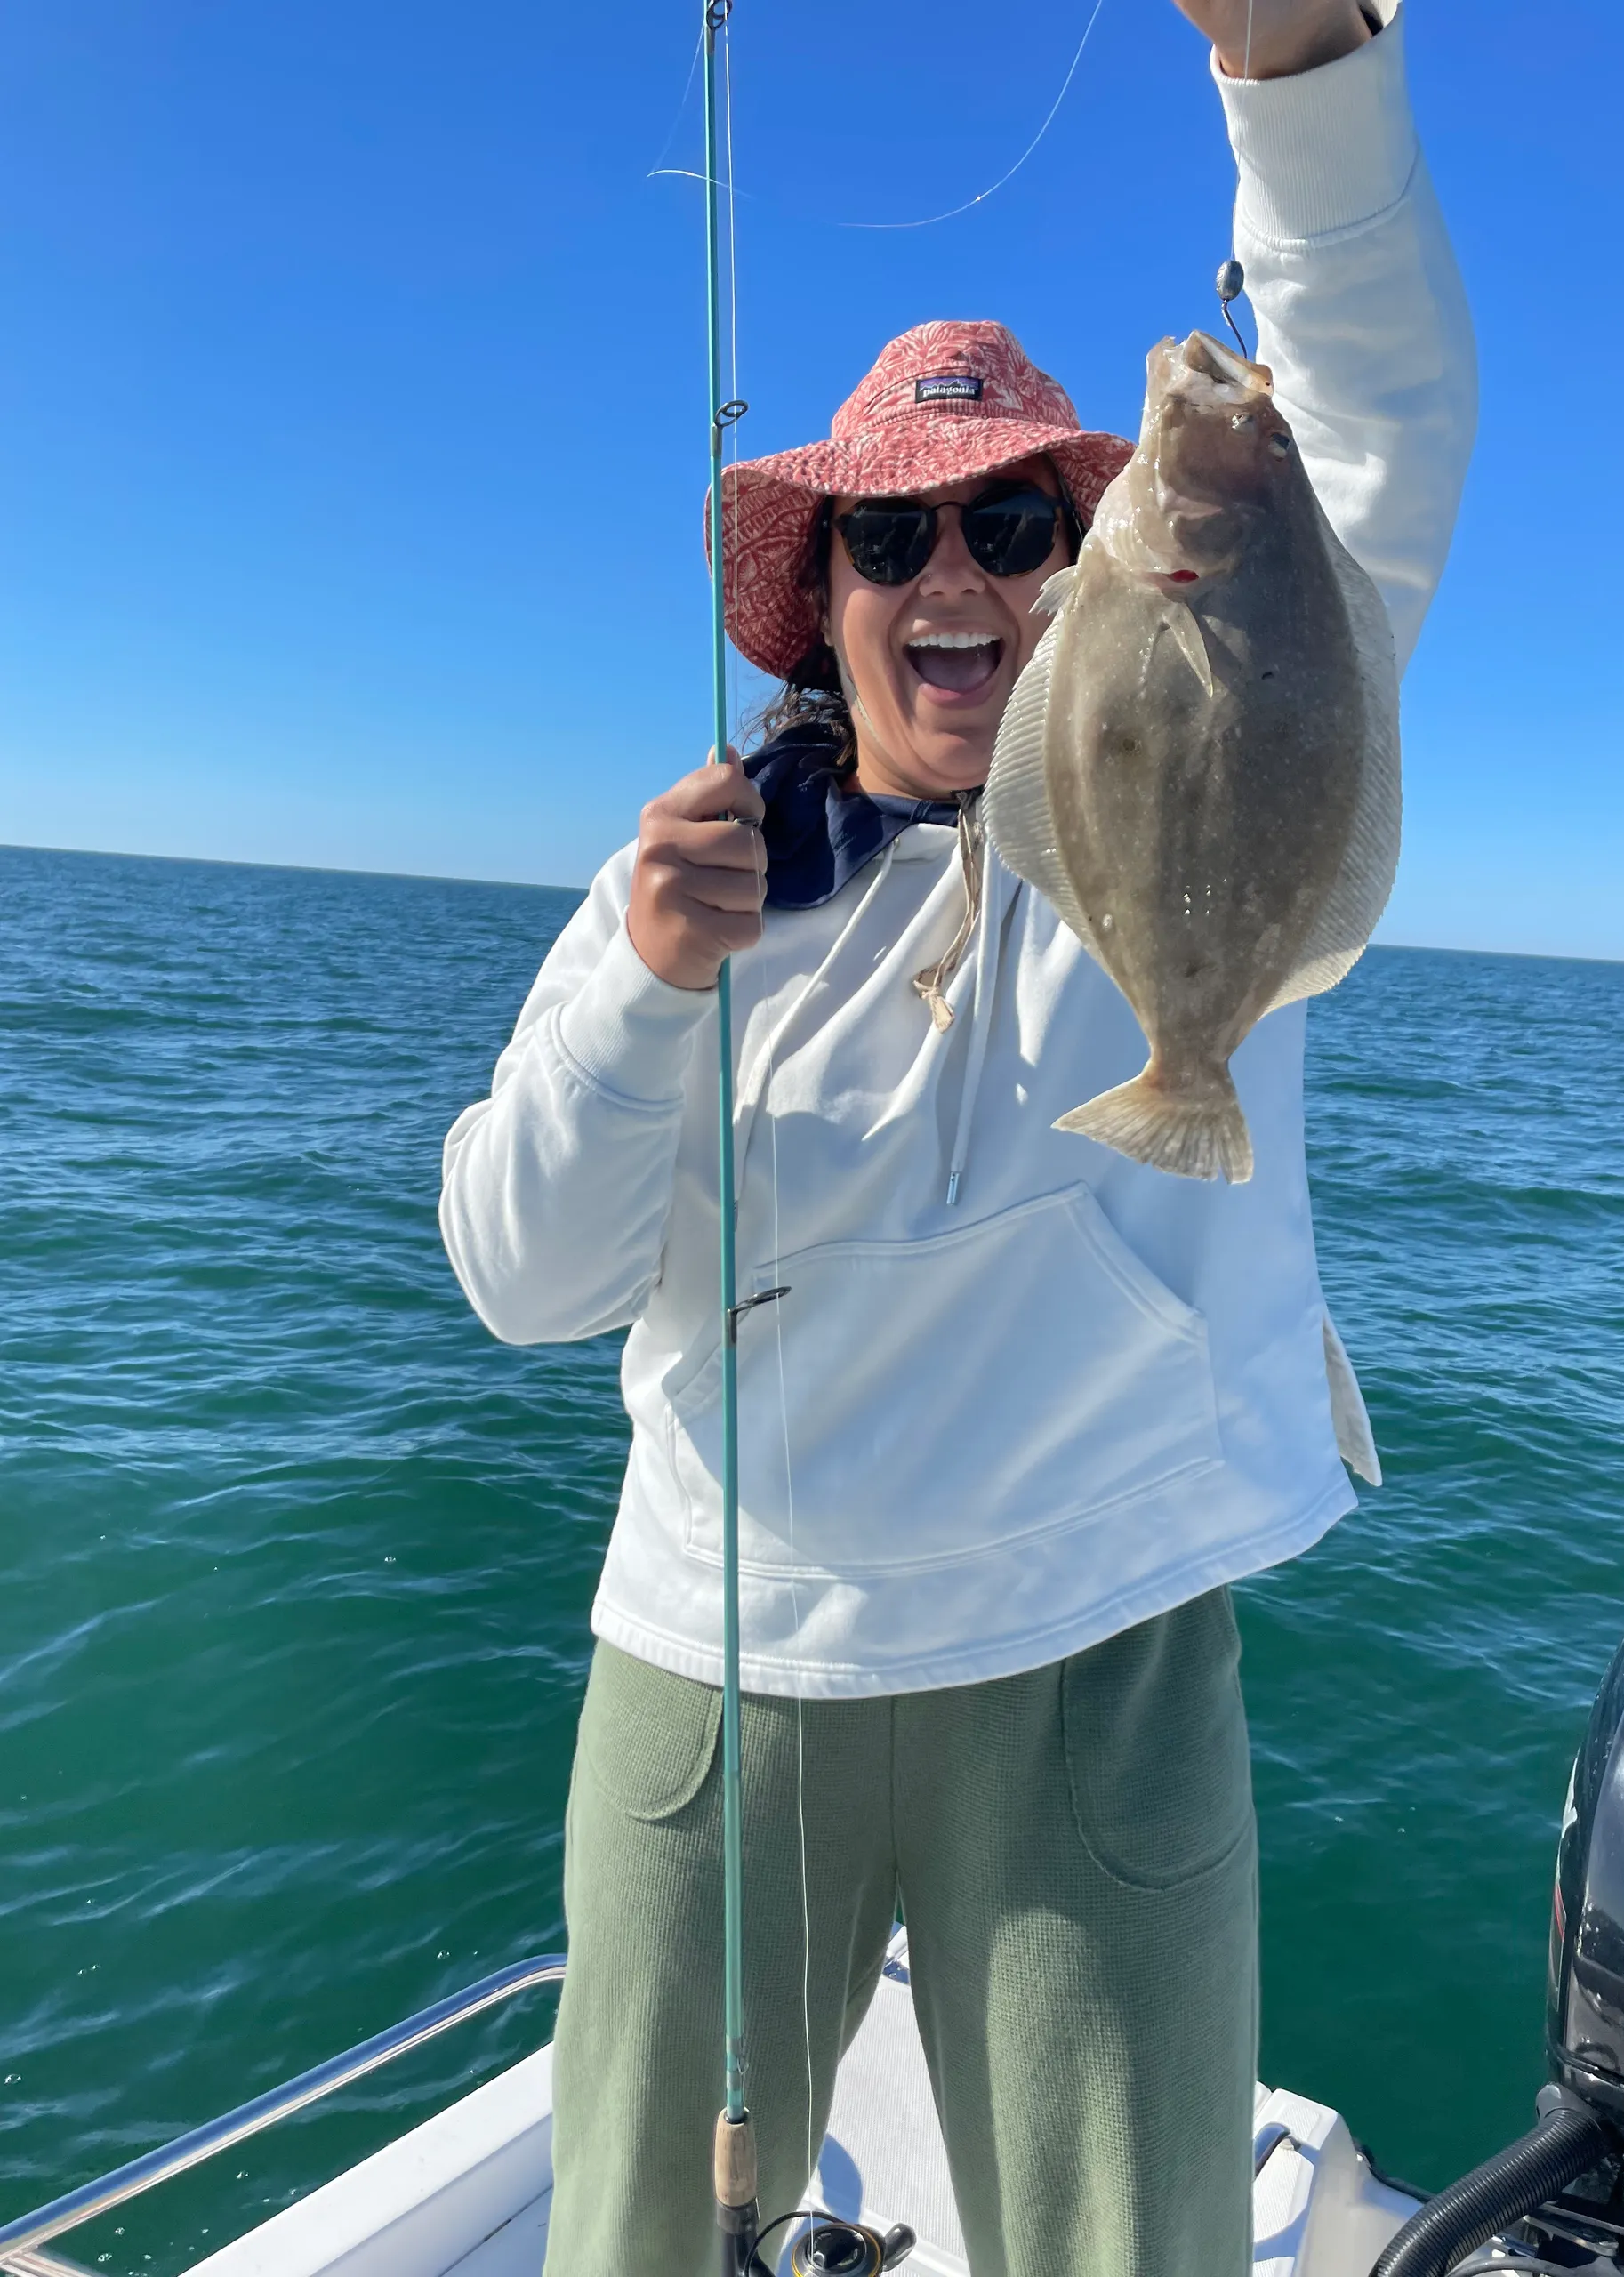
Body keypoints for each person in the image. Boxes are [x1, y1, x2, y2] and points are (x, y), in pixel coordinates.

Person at [439, 1, 1475, 2268]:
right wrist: (644, 980)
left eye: (1015, 522)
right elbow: (515, 1276)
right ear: (815, 599)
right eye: (891, 533)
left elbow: (1377, 432)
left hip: (1097, 1646)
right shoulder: (690, 886)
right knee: (625, 2237)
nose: (952, 578)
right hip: (716, 1668)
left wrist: (1297, 74)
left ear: (1103, 560)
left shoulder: (1201, 743)